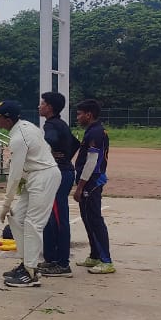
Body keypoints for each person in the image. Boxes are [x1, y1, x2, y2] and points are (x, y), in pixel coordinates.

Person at [0, 100, 61, 288]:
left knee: (33, 224)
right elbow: (45, 149)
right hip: (35, 176)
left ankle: (31, 272)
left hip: (44, 177)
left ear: (7, 119)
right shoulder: (27, 126)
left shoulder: (19, 138)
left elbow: (14, 175)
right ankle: (26, 263)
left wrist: (5, 203)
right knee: (17, 218)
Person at [37, 92, 78, 277]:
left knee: (59, 218)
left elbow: (50, 140)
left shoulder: (51, 125)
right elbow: (75, 144)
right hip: (64, 172)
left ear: (50, 107)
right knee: (51, 218)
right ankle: (52, 259)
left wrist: (43, 151)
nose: (40, 106)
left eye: (43, 103)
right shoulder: (61, 124)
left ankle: (62, 263)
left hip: (59, 175)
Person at [72, 98, 114, 273]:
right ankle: (95, 255)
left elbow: (92, 162)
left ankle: (106, 261)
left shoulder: (95, 133)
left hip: (92, 182)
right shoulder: (92, 131)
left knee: (95, 220)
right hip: (88, 181)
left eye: (80, 114)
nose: (78, 118)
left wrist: (80, 186)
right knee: (88, 219)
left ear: (89, 115)